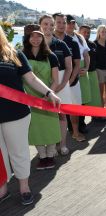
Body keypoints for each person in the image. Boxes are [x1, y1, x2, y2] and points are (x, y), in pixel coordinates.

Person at [0, 25, 60, 205]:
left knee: (18, 152)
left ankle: (24, 187)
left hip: (16, 114)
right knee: (0, 155)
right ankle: (2, 188)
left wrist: (50, 93)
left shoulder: (14, 54)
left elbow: (31, 78)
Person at [23, 24, 61, 170]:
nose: (36, 39)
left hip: (49, 97)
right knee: (36, 128)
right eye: (32, 35)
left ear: (43, 37)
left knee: (50, 126)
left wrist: (49, 95)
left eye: (39, 35)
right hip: (30, 99)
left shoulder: (51, 56)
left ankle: (50, 155)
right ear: (27, 38)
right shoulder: (22, 56)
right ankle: (42, 156)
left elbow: (56, 80)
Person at [39, 14, 73, 153]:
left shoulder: (61, 44)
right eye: (45, 24)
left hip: (61, 84)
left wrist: (63, 84)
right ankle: (47, 146)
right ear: (40, 25)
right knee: (44, 116)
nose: (49, 27)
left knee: (61, 115)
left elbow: (69, 67)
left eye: (51, 24)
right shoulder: (34, 43)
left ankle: (62, 145)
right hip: (40, 83)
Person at [53, 13, 86, 142]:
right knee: (56, 111)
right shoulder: (48, 40)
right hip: (54, 83)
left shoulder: (72, 41)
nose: (61, 25)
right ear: (54, 23)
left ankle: (75, 133)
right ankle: (57, 139)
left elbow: (77, 64)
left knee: (75, 109)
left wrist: (70, 80)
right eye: (59, 22)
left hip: (72, 81)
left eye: (64, 23)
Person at [66, 15, 91, 133]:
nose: (71, 25)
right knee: (70, 100)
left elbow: (86, 54)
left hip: (82, 70)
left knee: (83, 99)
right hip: (69, 69)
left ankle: (82, 123)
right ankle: (71, 127)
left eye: (72, 23)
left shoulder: (80, 37)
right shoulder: (62, 38)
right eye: (68, 23)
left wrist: (86, 67)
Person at [79, 25, 102, 122]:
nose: (87, 34)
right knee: (83, 98)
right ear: (79, 32)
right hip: (81, 75)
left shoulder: (93, 44)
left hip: (92, 73)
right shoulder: (76, 43)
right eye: (84, 32)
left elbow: (97, 60)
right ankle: (82, 121)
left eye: (88, 32)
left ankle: (96, 115)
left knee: (95, 97)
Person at [94, 25, 106, 108]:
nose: (104, 33)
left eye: (105, 32)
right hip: (99, 71)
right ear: (98, 32)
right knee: (100, 92)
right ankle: (102, 111)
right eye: (102, 31)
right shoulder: (94, 44)